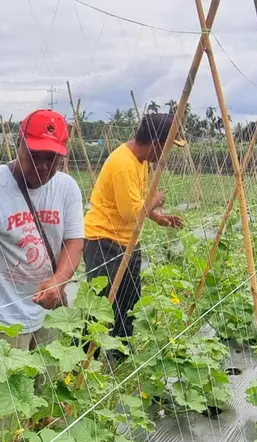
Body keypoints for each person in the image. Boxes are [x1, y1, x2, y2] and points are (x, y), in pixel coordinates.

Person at [0, 109, 84, 442]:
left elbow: (74, 241)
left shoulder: (66, 189)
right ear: (18, 144)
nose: (43, 168)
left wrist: (59, 280)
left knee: (47, 398)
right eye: (35, 156)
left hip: (46, 311)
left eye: (53, 160)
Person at [83, 113, 184, 360]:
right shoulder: (123, 164)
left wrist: (157, 216)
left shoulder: (141, 162)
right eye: (169, 146)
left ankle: (120, 354)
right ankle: (83, 360)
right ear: (158, 142)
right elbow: (131, 213)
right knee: (100, 304)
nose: (168, 152)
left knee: (128, 301)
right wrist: (155, 199)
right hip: (103, 241)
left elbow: (137, 204)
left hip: (128, 242)